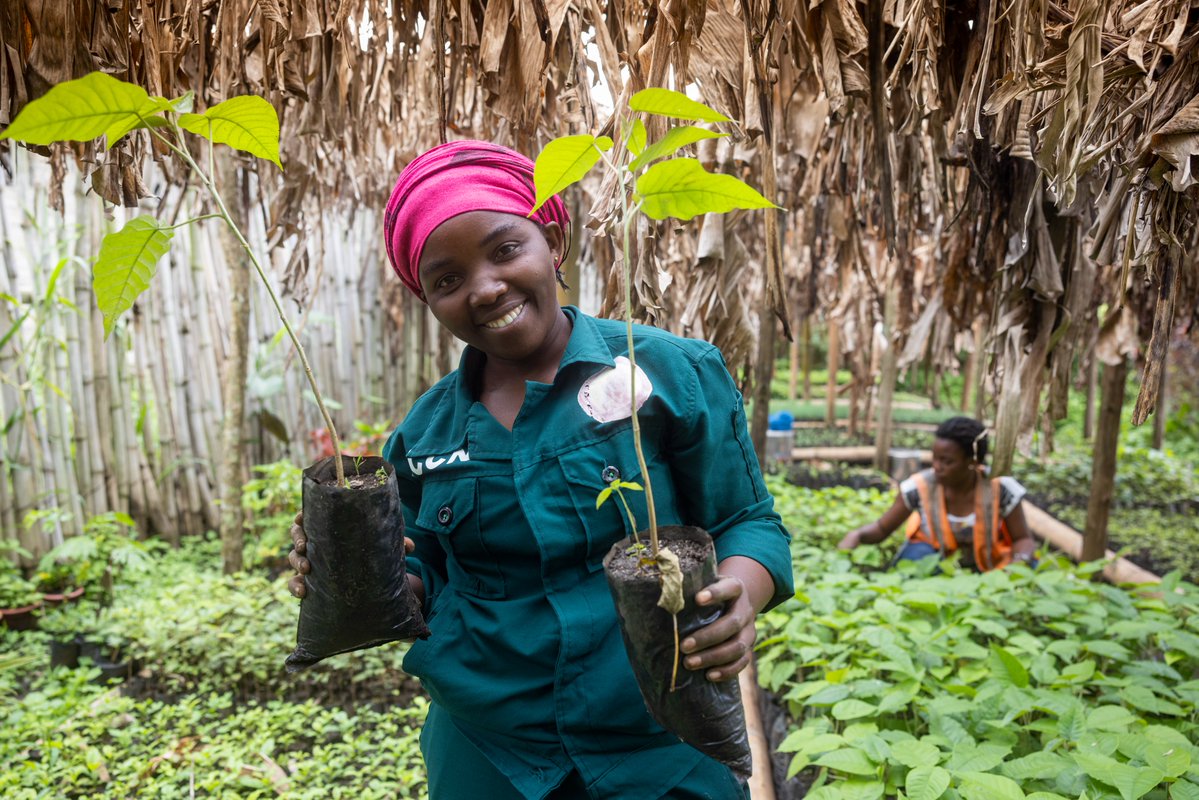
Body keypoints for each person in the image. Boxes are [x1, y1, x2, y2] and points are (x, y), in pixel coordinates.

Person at [286, 140, 794, 800]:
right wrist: (353, 574)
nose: (485, 286)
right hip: (489, 749)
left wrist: (739, 593)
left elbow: (747, 522)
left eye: (504, 250)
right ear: (428, 301)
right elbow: (423, 568)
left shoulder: (671, 373)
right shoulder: (427, 432)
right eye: (446, 280)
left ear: (553, 244)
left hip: (660, 738)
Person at [837, 416, 1037, 571]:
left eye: (947, 461)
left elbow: (1023, 539)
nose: (937, 467)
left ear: (973, 461)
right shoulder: (919, 487)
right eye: (935, 459)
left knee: (1030, 570)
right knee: (915, 561)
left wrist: (1019, 563)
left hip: (987, 563)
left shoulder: (999, 488)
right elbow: (881, 529)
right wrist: (857, 535)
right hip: (935, 559)